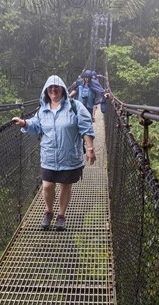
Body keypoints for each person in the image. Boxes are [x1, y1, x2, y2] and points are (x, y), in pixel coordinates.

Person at [12, 75, 96, 231]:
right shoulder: (43, 110)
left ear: (63, 89)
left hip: (69, 157)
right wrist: (24, 123)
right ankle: (48, 211)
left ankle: (61, 215)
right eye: (50, 88)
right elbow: (36, 125)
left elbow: (86, 127)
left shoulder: (75, 106)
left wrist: (90, 148)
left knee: (65, 186)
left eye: (56, 87)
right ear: (46, 91)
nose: (53, 90)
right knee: (47, 186)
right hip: (49, 157)